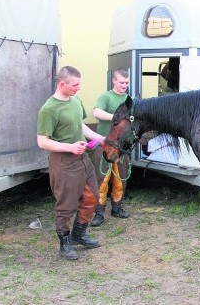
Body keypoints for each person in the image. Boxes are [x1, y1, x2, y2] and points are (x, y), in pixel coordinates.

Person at [37, 65, 105, 260]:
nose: (79, 88)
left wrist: (100, 138)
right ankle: (64, 243)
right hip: (64, 162)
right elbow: (42, 141)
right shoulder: (48, 110)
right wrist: (70, 147)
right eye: (75, 85)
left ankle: (79, 234)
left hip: (83, 160)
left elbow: (80, 125)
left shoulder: (75, 101)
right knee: (66, 205)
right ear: (62, 84)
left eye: (79, 84)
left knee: (92, 197)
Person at [90, 68, 131, 227]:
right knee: (102, 178)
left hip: (122, 146)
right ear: (114, 81)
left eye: (126, 83)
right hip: (105, 144)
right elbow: (96, 112)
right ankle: (99, 212)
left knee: (120, 177)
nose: (124, 85)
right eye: (121, 82)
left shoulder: (129, 99)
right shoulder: (105, 97)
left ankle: (117, 207)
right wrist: (116, 118)